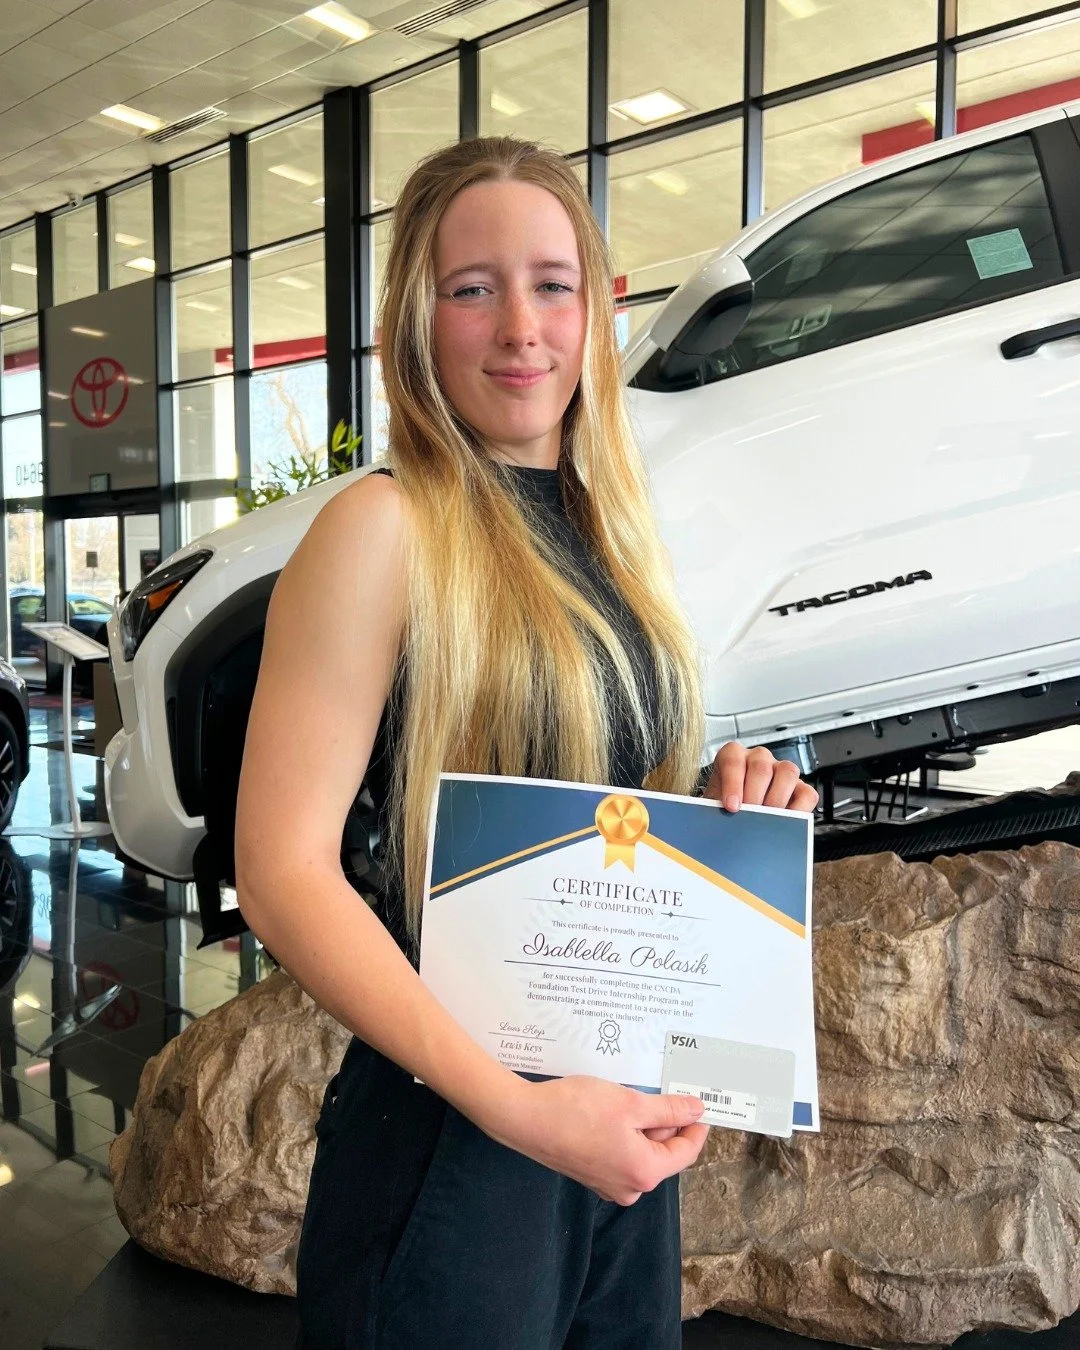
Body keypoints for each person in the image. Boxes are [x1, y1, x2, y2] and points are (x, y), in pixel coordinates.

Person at [234, 136, 819, 1350]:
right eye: (473, 287)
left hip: (607, 1134)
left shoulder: (610, 539)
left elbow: (606, 816)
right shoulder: (384, 529)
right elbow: (283, 878)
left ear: (597, 314)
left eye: (554, 283)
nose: (520, 327)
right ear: (417, 321)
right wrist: (516, 1113)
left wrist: (728, 810)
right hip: (452, 1139)